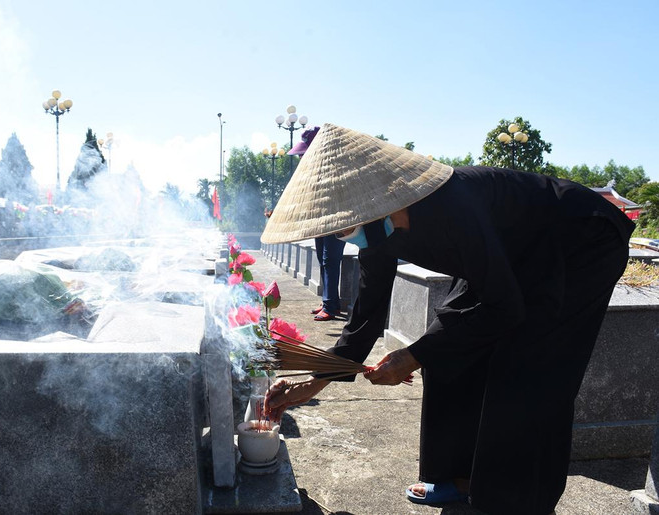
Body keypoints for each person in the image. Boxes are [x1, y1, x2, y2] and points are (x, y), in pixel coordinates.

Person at [261, 123, 634, 515]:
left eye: (345, 227)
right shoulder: (377, 230)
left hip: (580, 241)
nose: (345, 235)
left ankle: (516, 504)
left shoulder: (453, 207)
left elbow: (504, 307)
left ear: (381, 203)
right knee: (447, 349)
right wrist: (317, 380)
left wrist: (413, 355)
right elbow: (366, 313)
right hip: (506, 255)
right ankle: (459, 477)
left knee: (527, 366)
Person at [288, 126, 346, 321]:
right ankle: (330, 301)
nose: (301, 157)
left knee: (330, 260)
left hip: (334, 221)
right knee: (323, 259)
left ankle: (330, 306)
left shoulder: (333, 168)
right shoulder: (313, 171)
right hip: (320, 221)